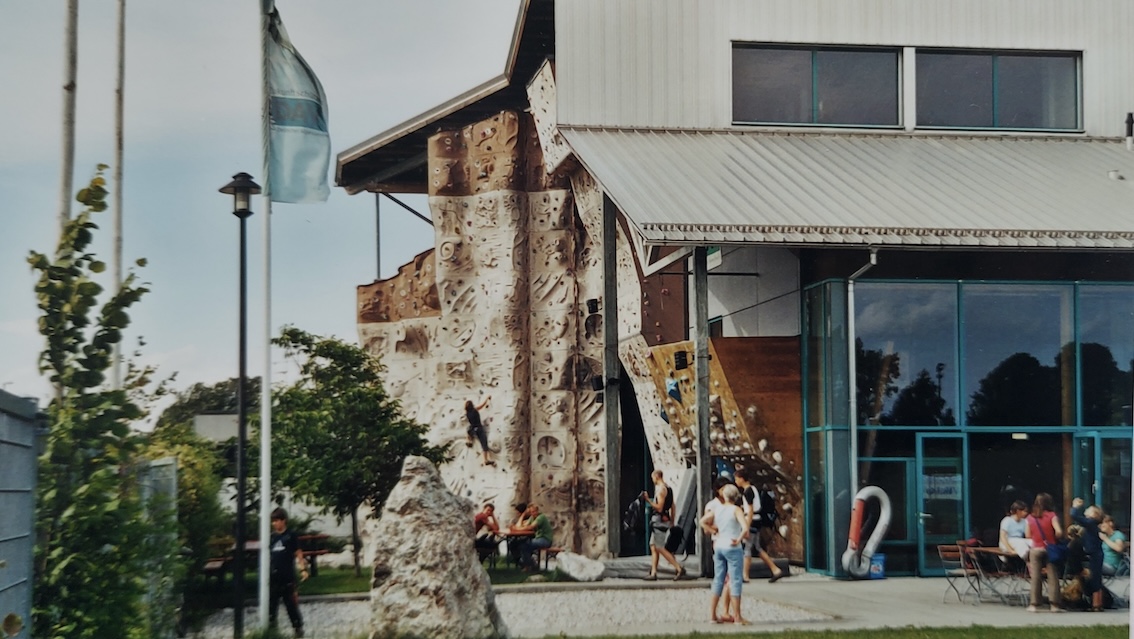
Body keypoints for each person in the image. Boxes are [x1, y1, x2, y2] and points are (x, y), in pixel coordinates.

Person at [700, 483, 749, 625]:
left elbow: (702, 521)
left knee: (718, 579)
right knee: (735, 580)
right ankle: (737, 616)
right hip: (732, 546)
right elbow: (745, 528)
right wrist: (738, 539)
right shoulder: (736, 510)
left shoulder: (718, 509)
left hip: (719, 545)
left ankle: (712, 615)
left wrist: (713, 530)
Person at [735, 468, 785, 584]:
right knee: (757, 548)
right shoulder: (753, 489)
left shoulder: (747, 492)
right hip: (757, 520)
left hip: (751, 520)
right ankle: (775, 569)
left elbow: (750, 510)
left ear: (742, 479)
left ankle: (745, 575)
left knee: (747, 548)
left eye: (737, 479)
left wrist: (746, 527)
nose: (736, 481)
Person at [640, 469, 685, 581]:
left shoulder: (661, 490)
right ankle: (653, 573)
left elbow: (659, 508)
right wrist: (672, 521)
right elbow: (673, 506)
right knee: (653, 546)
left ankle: (678, 568)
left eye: (653, 478)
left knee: (660, 547)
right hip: (665, 519)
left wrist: (648, 500)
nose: (653, 480)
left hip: (659, 521)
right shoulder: (669, 489)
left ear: (656, 476)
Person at [268, 508, 306, 638]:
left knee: (290, 604)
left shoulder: (291, 535)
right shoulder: (272, 537)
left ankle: (297, 627)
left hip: (287, 575)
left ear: (283, 520)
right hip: (274, 576)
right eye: (273, 521)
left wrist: (302, 569)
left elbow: (298, 553)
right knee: (272, 604)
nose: (274, 524)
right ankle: (272, 628)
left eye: (277, 521)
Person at [1024, 492, 1064, 612]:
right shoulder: (1052, 516)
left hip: (1036, 549)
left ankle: (1034, 604)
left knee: (1035, 576)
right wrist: (1054, 537)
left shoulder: (1030, 518)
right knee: (1053, 576)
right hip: (1049, 549)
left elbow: (1027, 535)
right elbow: (1059, 532)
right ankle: (1054, 605)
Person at [703, 477, 735, 621]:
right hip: (720, 542)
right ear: (718, 490)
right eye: (723, 489)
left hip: (730, 542)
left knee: (728, 578)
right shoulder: (713, 505)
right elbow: (706, 526)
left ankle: (725, 611)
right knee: (725, 578)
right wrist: (716, 530)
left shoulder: (731, 504)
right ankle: (718, 612)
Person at [1070, 497, 1105, 611]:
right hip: (1095, 553)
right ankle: (1097, 604)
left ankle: (1096, 604)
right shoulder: (1091, 525)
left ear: (1094, 515)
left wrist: (1075, 506)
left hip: (1095, 554)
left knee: (1095, 579)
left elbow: (1075, 516)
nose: (1086, 510)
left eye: (1089, 509)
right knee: (1096, 578)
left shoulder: (1090, 523)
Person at [512, 503, 553, 572]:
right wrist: (523, 514)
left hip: (545, 540)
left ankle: (530, 565)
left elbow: (531, 527)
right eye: (531, 512)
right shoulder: (532, 517)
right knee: (522, 545)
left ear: (537, 511)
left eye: (534, 511)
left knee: (525, 545)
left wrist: (517, 529)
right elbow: (520, 525)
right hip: (538, 539)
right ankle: (530, 565)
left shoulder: (541, 517)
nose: (532, 513)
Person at [464, 396, 495, 466]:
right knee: (484, 443)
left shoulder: (467, 413)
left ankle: (469, 440)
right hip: (478, 429)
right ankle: (486, 460)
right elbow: (482, 405)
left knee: (468, 430)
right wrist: (487, 399)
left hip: (472, 429)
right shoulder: (474, 410)